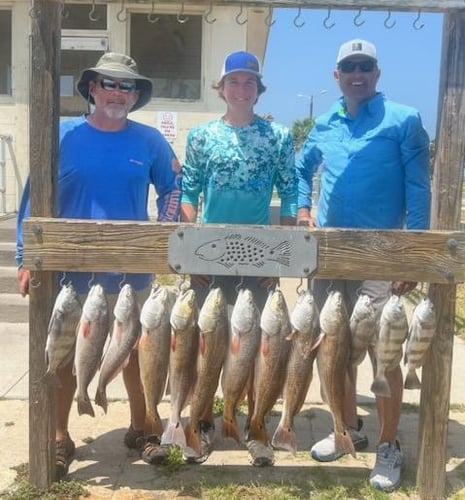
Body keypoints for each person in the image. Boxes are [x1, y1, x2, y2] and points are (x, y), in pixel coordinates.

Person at [16, 52, 182, 478]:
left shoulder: (150, 142)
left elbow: (173, 190)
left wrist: (165, 235)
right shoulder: (61, 135)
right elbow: (33, 196)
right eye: (109, 83)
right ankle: (58, 437)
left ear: (135, 95)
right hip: (68, 276)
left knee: (136, 357)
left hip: (131, 273)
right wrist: (25, 256)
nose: (117, 92)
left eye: (126, 86)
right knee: (66, 357)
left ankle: (141, 428)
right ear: (91, 87)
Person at [296, 39, 430, 491]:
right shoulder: (324, 121)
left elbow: (419, 187)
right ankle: (345, 428)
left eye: (365, 66)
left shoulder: (404, 118)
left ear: (377, 72)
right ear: (336, 75)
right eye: (348, 67)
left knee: (383, 352)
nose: (357, 74)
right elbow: (301, 169)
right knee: (332, 347)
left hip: (380, 252)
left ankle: (389, 444)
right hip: (330, 252)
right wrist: (301, 210)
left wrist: (412, 251)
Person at [178, 50, 297, 466]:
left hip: (259, 258)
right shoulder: (202, 136)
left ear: (258, 89)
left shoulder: (278, 137)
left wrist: (280, 259)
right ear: (221, 87)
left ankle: (256, 425)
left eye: (249, 82)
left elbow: (292, 190)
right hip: (208, 259)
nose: (241, 89)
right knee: (206, 347)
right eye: (234, 81)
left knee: (255, 348)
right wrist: (190, 249)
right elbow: (189, 191)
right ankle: (202, 424)